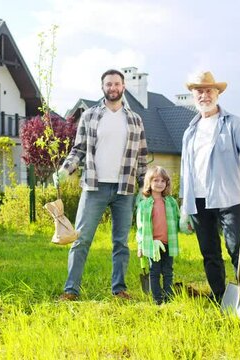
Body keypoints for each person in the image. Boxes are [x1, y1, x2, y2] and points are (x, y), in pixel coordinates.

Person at [54, 69, 148, 301]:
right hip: (94, 187)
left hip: (124, 189)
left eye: (117, 84)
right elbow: (78, 149)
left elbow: (142, 157)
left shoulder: (135, 119)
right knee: (81, 239)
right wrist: (65, 171)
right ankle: (71, 290)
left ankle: (119, 289)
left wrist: (144, 187)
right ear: (103, 87)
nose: (113, 88)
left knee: (121, 242)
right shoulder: (90, 116)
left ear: (123, 87)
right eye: (108, 84)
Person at [178, 71, 240, 309]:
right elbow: (186, 170)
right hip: (198, 200)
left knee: (238, 250)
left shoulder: (233, 123)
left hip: (228, 198)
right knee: (209, 253)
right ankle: (221, 298)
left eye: (209, 90)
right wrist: (184, 207)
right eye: (199, 91)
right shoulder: (190, 131)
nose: (204, 95)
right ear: (193, 96)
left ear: (217, 94)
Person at [136, 166, 180, 304]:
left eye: (163, 181)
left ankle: (168, 298)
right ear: (149, 183)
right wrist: (140, 246)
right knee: (154, 272)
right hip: (152, 245)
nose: (160, 183)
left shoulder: (171, 202)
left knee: (168, 272)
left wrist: (188, 224)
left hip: (168, 243)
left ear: (167, 183)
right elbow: (140, 228)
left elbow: (178, 220)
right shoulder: (144, 205)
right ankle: (157, 299)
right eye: (156, 180)